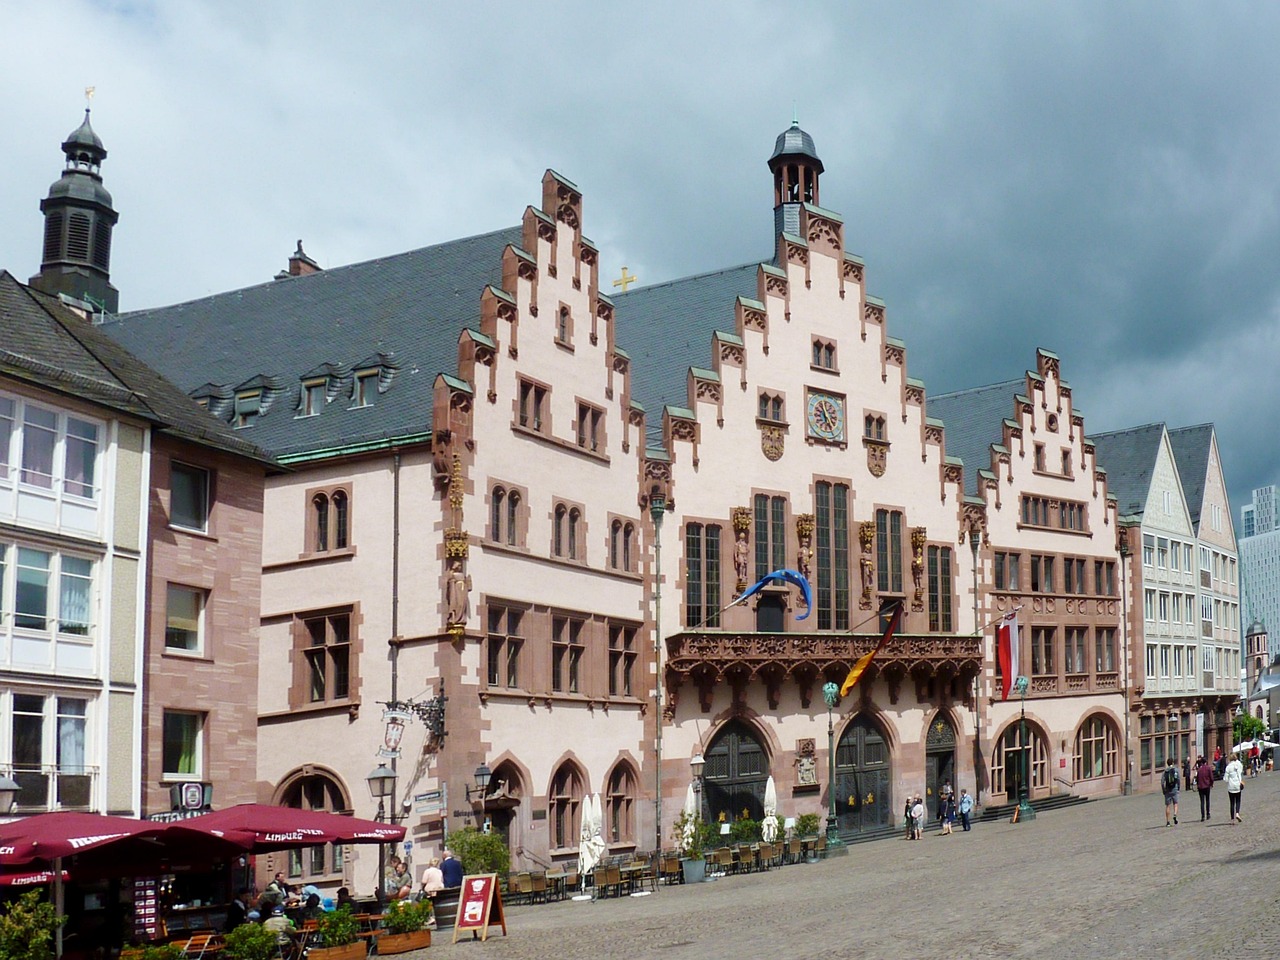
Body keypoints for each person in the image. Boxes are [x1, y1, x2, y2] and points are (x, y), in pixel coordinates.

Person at [1224, 751, 1245, 823]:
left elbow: (1225, 779)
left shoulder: (1228, 767)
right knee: (1238, 800)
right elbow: (1240, 773)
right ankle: (1237, 813)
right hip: (1237, 785)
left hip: (1231, 786)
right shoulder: (1238, 765)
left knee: (1232, 803)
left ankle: (1232, 819)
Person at [1161, 757, 1180, 826]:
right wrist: (1178, 788)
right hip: (1174, 789)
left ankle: (1168, 822)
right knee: (1175, 803)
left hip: (1168, 790)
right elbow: (1178, 779)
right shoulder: (1176, 770)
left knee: (1167, 806)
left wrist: (1164, 790)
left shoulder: (1165, 772)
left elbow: (1162, 782)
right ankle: (1175, 814)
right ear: (1172, 763)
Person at [1195, 756, 1214, 821]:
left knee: (1202, 802)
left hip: (1201, 787)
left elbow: (1197, 778)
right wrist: (1211, 784)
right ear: (1206, 762)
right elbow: (1211, 777)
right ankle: (1208, 814)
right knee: (1207, 800)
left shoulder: (1199, 769)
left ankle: (1202, 816)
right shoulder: (1208, 768)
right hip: (1207, 786)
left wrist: (1198, 785)